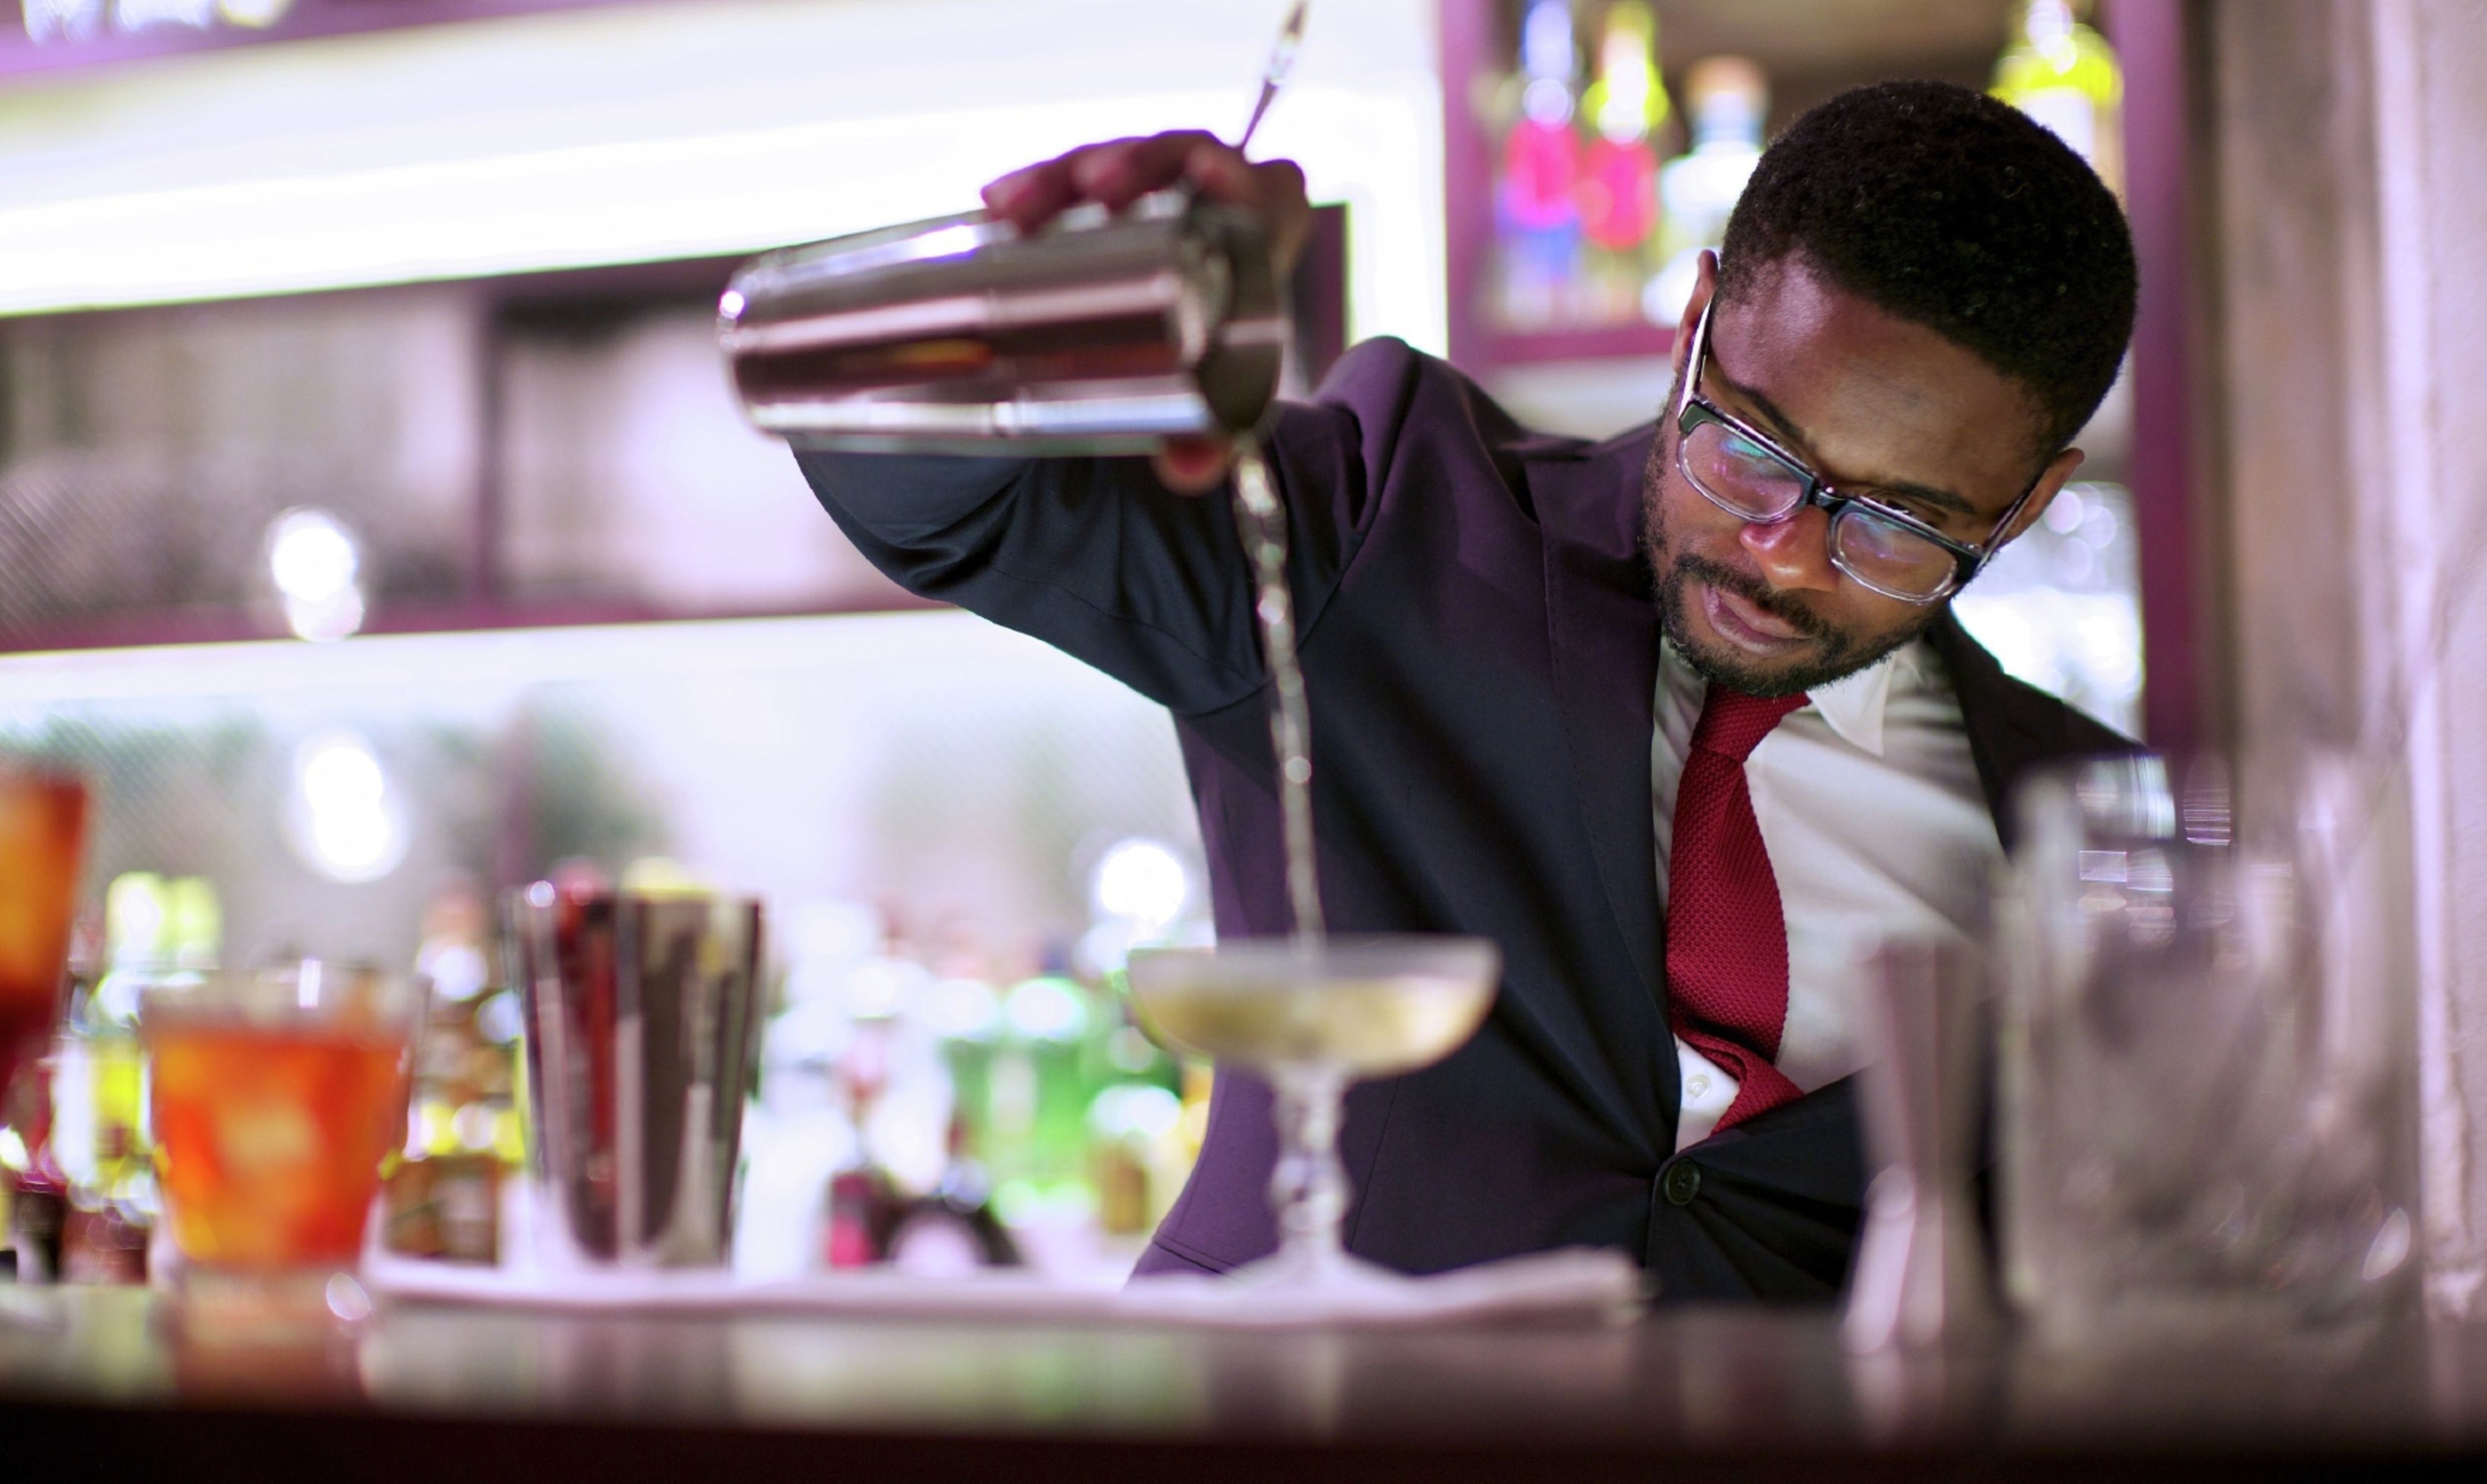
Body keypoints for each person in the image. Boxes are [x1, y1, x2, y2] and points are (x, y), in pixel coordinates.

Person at [798, 80, 2137, 1301]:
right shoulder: (1392, 520)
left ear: (2020, 511)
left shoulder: (2086, 833)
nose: (1781, 547)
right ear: (1694, 326)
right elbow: (898, 469)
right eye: (1751, 446)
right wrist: (1069, 297)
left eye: (1897, 525)